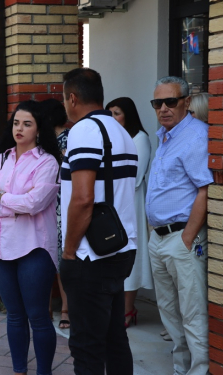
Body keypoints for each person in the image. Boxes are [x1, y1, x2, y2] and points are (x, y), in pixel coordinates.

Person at [59, 68, 138, 375]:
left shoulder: (84, 130)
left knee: (86, 345)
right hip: (119, 246)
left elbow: (82, 198)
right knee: (114, 337)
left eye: (65, 99)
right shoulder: (121, 131)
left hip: (91, 253)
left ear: (73, 98)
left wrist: (68, 251)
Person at [0, 100, 60, 375]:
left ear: (39, 129)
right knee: (14, 315)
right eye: (16, 123)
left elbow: (35, 203)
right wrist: (12, 205)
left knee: (38, 316)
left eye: (27, 124)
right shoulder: (1, 159)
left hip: (33, 248)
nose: (19, 129)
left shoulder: (47, 162)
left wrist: (1, 198)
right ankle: (19, 371)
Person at [146, 76, 213, 375]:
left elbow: (205, 189)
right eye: (157, 103)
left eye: (170, 101)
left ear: (186, 102)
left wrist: (187, 238)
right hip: (159, 239)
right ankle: (180, 368)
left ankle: (198, 371)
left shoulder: (196, 135)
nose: (163, 108)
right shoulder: (164, 135)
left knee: (192, 312)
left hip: (182, 238)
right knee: (170, 313)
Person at [106, 97, 154, 328]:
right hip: (112, 205)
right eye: (110, 114)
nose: (113, 118)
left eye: (117, 113)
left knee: (130, 254)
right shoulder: (112, 140)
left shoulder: (140, 138)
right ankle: (118, 309)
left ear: (128, 115)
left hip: (131, 204)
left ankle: (127, 310)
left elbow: (134, 178)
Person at [40, 98, 70, 329]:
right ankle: (54, 307)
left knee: (59, 256)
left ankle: (64, 309)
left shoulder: (68, 139)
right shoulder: (45, 142)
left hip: (62, 204)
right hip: (49, 204)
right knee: (50, 255)